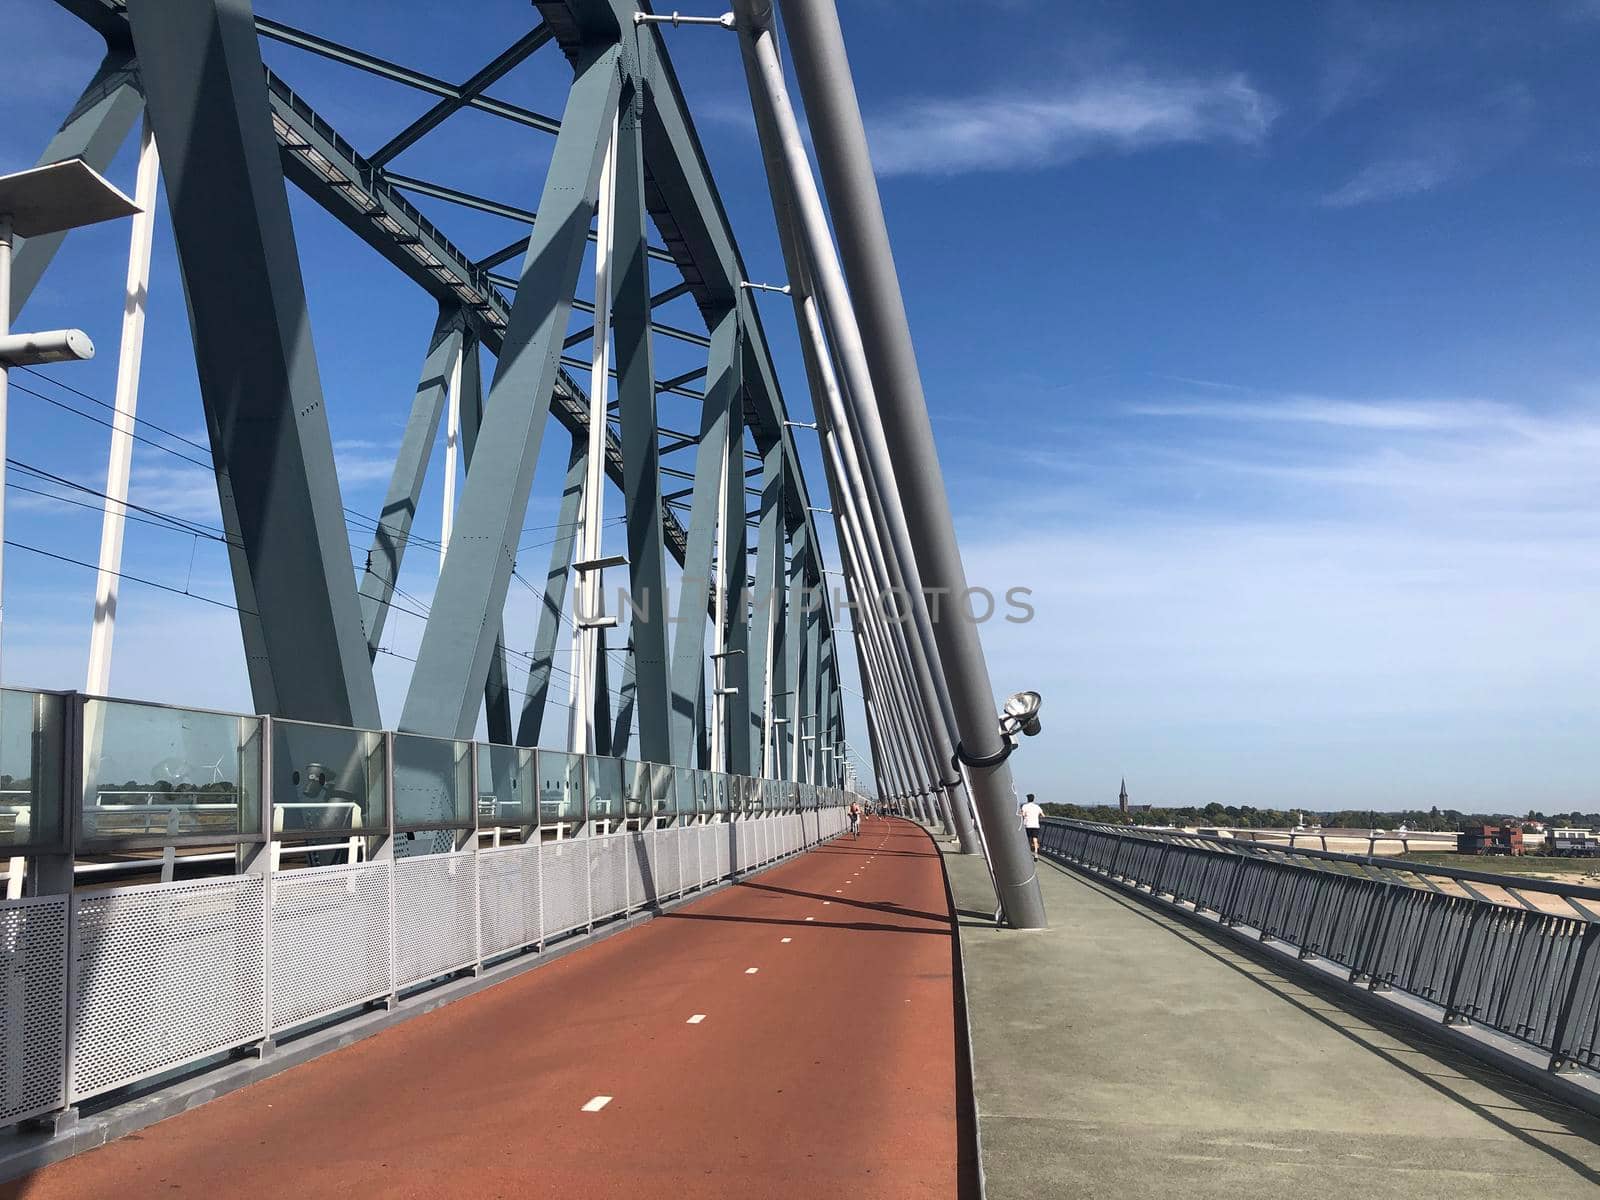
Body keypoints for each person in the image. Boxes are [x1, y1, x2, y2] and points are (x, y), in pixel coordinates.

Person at [1019, 793, 1044, 860]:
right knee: (1035, 839)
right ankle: (1036, 854)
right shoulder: (1037, 807)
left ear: (1027, 799)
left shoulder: (1025, 806)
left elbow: (1023, 814)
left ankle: (1028, 853)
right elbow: (1043, 815)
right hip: (1035, 825)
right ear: (1033, 799)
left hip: (1027, 825)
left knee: (1028, 839)